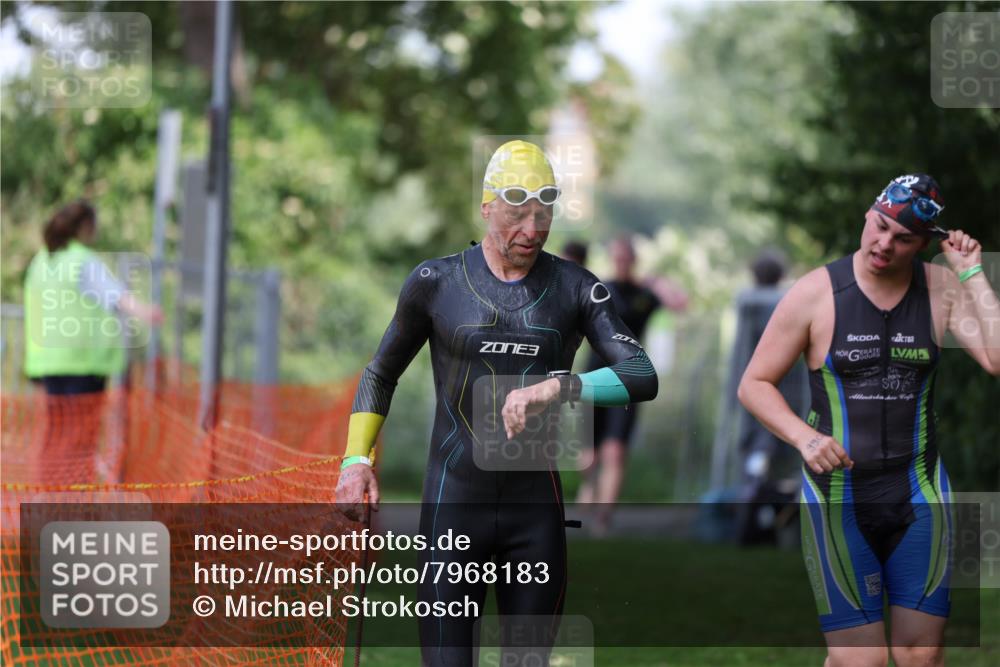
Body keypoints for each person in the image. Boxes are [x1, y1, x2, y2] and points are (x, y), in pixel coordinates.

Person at [335, 140, 659, 665]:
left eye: (543, 213)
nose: (531, 230)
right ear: (486, 207)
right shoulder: (435, 282)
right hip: (453, 508)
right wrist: (355, 461)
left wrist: (559, 386)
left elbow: (641, 375)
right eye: (516, 214)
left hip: (535, 519)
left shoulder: (576, 288)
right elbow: (380, 372)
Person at [738, 174, 999, 667]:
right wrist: (805, 438)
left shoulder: (940, 287)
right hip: (837, 496)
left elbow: (996, 359)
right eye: (879, 227)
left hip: (919, 489)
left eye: (903, 239)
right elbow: (754, 384)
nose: (884, 245)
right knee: (864, 661)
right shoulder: (817, 292)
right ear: (867, 215)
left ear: (923, 245)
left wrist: (971, 273)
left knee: (919, 656)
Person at [23, 200, 162, 483]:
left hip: (48, 363)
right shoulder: (82, 260)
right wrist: (147, 312)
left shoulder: (42, 261)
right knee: (79, 439)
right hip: (83, 363)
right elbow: (115, 295)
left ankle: (48, 497)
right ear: (85, 227)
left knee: (56, 433)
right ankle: (70, 502)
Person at [573, 236, 687, 535]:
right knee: (588, 456)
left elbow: (680, 304)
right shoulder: (600, 289)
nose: (622, 263)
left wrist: (659, 283)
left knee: (615, 452)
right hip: (593, 376)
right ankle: (589, 486)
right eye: (617, 258)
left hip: (627, 378)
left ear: (634, 260)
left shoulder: (644, 294)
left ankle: (603, 519)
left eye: (627, 258)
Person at [723, 249, 808, 544]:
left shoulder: (750, 302)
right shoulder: (780, 302)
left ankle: (755, 509)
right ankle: (755, 514)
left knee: (758, 452)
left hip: (759, 391)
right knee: (764, 452)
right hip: (779, 392)